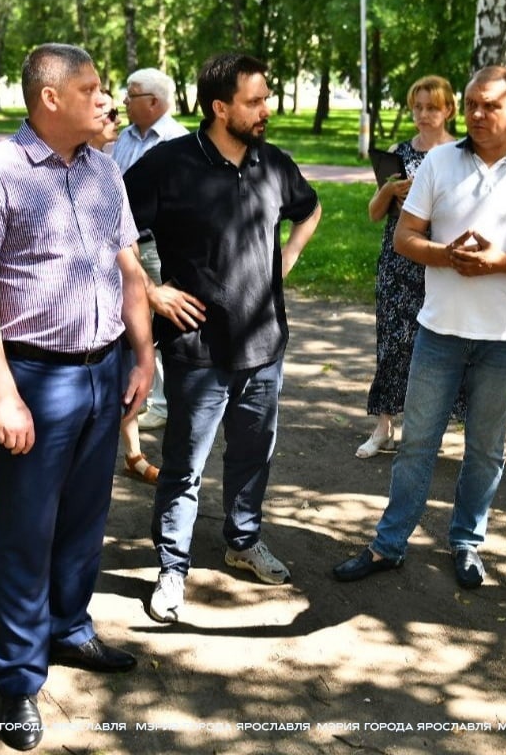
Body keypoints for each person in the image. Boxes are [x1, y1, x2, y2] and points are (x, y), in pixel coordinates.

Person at [0, 43, 154, 752]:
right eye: (93, 90)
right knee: (24, 535)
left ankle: (70, 629)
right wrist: (2, 396)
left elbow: (128, 266)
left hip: (105, 371)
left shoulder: (104, 170)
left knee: (84, 520)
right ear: (50, 99)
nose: (107, 101)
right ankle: (16, 680)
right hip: (36, 376)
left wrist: (143, 355)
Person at [333, 64, 506, 590]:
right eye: (471, 104)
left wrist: (502, 261)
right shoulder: (439, 162)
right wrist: (446, 255)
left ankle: (467, 542)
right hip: (439, 331)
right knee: (418, 444)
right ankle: (389, 543)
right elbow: (404, 238)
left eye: (491, 104)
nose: (478, 114)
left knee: (486, 450)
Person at [123, 52, 321, 624]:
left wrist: (289, 256)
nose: (266, 110)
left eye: (266, 98)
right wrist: (153, 291)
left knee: (253, 454)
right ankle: (172, 566)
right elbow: (113, 227)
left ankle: (242, 540)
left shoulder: (273, 163)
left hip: (265, 346)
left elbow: (309, 209)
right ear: (219, 107)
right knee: (184, 465)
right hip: (198, 349)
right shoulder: (169, 164)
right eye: (254, 101)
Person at [356, 75, 461, 459]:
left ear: (449, 109)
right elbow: (373, 214)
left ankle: (430, 431)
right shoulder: (398, 154)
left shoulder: (461, 153)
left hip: (441, 261)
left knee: (440, 347)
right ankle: (383, 426)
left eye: (432, 107)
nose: (423, 114)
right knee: (391, 344)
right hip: (398, 266)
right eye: (417, 107)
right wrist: (389, 191)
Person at [111, 68, 189, 484]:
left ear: (154, 102)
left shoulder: (177, 141)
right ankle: (145, 403)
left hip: (156, 247)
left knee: (159, 323)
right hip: (120, 246)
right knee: (131, 327)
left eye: (132, 95)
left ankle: (163, 402)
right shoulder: (124, 139)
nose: (125, 102)